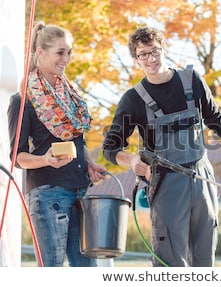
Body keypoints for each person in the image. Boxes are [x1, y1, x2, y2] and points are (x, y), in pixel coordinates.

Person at [102, 27, 221, 267]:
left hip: (202, 179)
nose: (151, 59)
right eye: (143, 55)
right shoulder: (133, 99)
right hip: (166, 183)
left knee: (204, 256)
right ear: (136, 59)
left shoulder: (191, 81)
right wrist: (130, 160)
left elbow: (218, 122)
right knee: (170, 260)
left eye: (155, 51)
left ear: (164, 49)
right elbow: (111, 147)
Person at [7, 21, 106, 267]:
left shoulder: (70, 95)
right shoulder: (23, 100)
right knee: (51, 269)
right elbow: (17, 156)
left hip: (79, 190)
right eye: (60, 52)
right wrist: (44, 160)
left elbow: (75, 139)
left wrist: (91, 164)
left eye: (69, 52)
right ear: (40, 52)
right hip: (48, 192)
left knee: (87, 270)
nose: (67, 58)